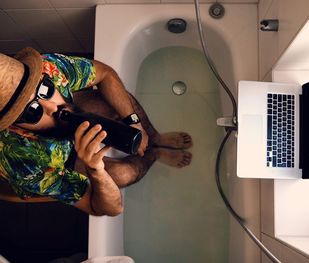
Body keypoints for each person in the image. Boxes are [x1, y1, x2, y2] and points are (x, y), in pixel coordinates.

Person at [0, 47, 193, 216]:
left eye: (45, 89)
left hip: (74, 103)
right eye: (32, 111)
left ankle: (154, 137)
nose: (53, 107)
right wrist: (95, 169)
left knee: (118, 103)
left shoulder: (48, 69)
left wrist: (134, 122)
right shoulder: (21, 162)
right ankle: (155, 154)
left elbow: (105, 74)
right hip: (55, 157)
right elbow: (106, 208)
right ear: (13, 125)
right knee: (123, 174)